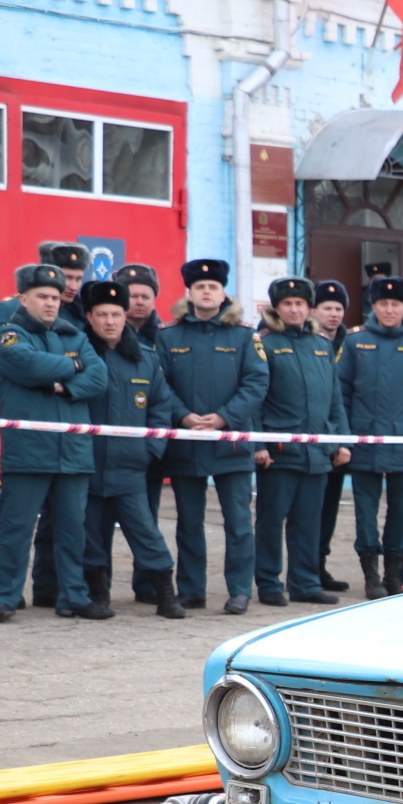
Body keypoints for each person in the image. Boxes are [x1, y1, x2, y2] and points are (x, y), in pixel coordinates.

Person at [0, 264, 108, 622]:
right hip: (29, 451)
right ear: (24, 298)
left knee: (73, 531)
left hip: (73, 451)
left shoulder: (76, 336)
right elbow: (25, 364)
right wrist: (73, 368)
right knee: (16, 529)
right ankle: (4, 597)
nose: (51, 303)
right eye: (43, 296)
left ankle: (74, 596)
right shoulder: (9, 334)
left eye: (55, 297)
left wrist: (62, 385)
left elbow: (98, 377)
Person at [156, 258, 270, 614]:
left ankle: (239, 590)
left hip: (231, 443)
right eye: (200, 287)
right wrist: (183, 417)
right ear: (189, 293)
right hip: (187, 444)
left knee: (238, 523)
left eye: (214, 287)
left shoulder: (245, 336)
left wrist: (224, 418)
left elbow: (257, 383)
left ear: (223, 294)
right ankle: (191, 590)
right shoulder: (168, 335)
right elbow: (160, 385)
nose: (207, 292)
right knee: (189, 522)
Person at [77, 280, 183, 619]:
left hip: (130, 466)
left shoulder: (145, 360)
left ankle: (165, 594)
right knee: (91, 536)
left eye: (117, 314)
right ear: (89, 317)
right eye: (102, 314)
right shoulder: (77, 354)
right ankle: (97, 594)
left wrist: (150, 450)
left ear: (126, 317)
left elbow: (160, 408)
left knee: (146, 533)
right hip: (87, 465)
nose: (110, 321)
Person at [337, 274, 403, 598]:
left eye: (395, 304)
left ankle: (393, 575)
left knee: (402, 512)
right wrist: (344, 440)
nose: (389, 310)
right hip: (364, 443)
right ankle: (370, 575)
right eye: (383, 303)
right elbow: (340, 394)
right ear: (373, 306)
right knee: (365, 513)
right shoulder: (355, 341)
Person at [253, 276, 347, 606]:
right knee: (270, 520)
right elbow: (256, 397)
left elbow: (335, 399)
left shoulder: (322, 345)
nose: (294, 309)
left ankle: (305, 583)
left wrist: (341, 442)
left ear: (309, 308)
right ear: (276, 308)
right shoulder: (263, 342)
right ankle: (268, 583)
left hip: (317, 451)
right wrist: (258, 444)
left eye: (300, 304)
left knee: (308, 521)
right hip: (279, 451)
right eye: (288, 304)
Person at [0, 240, 95, 412]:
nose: (73, 286)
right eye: (67, 278)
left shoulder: (80, 315)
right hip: (27, 412)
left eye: (78, 278)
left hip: (69, 413)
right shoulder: (9, 309)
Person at [310, 279, 353, 595]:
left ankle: (318, 565)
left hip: (336, 440)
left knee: (328, 509)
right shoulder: (305, 340)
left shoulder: (350, 343)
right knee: (306, 511)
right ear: (314, 310)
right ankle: (301, 567)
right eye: (327, 308)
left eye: (339, 308)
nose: (334, 314)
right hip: (309, 441)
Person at [112, 263, 163, 345]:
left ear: (153, 301)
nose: (140, 302)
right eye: (133, 296)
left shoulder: (166, 337)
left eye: (145, 297)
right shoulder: (108, 335)